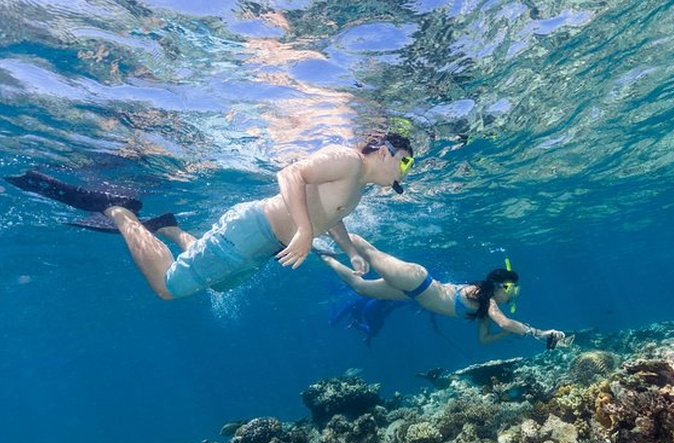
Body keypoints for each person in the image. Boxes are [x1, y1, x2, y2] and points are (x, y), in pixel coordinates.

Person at [4, 134, 415, 299]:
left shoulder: (358, 183)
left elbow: (332, 213)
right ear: (385, 151)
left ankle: (166, 227)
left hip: (262, 245)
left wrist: (348, 250)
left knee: (217, 288)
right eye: (406, 163)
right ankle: (117, 210)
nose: (403, 172)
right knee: (170, 287)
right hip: (252, 230)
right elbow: (290, 173)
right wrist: (305, 232)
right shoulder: (345, 158)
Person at [319, 234, 567, 346]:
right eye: (512, 291)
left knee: (360, 288)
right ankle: (329, 229)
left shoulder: (484, 308)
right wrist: (539, 333)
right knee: (370, 254)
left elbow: (484, 340)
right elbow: (504, 322)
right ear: (501, 286)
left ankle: (324, 255)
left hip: (412, 292)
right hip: (417, 280)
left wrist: (512, 333)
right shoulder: (487, 299)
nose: (512, 297)